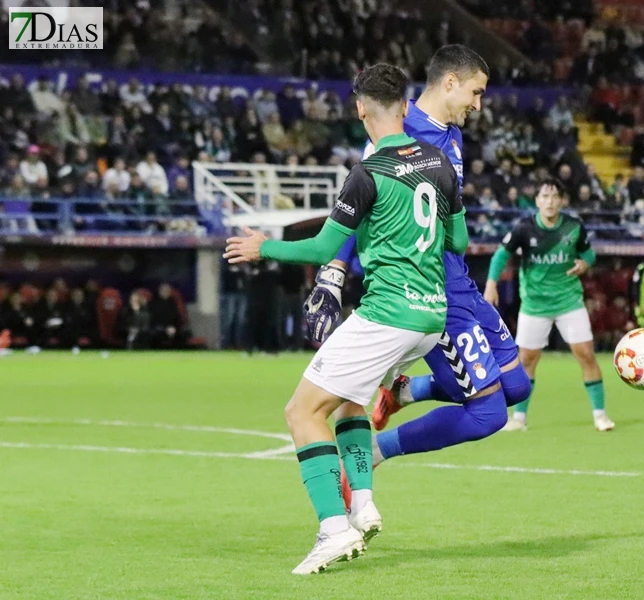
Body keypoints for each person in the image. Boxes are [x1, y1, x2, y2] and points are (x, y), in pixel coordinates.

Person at [222, 64, 467, 575]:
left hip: (388, 313)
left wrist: (261, 246)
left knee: (301, 413)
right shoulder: (441, 162)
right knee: (350, 401)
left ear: (360, 110)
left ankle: (333, 529)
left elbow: (324, 246)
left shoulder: (368, 173)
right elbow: (459, 243)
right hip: (430, 316)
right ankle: (362, 505)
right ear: (405, 106)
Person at [304, 46, 532, 494]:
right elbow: (360, 207)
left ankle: (407, 391)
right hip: (432, 290)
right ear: (450, 83)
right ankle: (377, 449)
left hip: (460, 282)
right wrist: (334, 271)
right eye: (475, 92)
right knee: (489, 413)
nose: (478, 104)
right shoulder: (398, 133)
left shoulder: (453, 135)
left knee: (519, 386)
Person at [485, 179, 614, 432]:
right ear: (537, 201)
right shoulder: (524, 228)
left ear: (562, 201)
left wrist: (585, 262)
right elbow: (502, 254)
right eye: (545, 196)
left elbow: (589, 253)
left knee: (586, 355)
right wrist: (491, 284)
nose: (550, 202)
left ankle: (600, 415)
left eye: (555, 197)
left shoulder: (574, 227)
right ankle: (519, 418)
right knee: (526, 361)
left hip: (569, 301)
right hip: (534, 304)